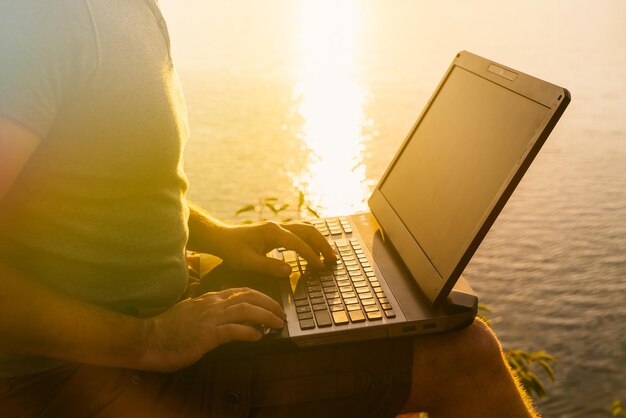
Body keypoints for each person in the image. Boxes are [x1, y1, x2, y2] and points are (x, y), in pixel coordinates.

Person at [0, 1, 539, 417]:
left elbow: (101, 178)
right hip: (66, 383)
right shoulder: (44, 20)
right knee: (462, 358)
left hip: (134, 342)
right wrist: (150, 341)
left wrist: (213, 234)